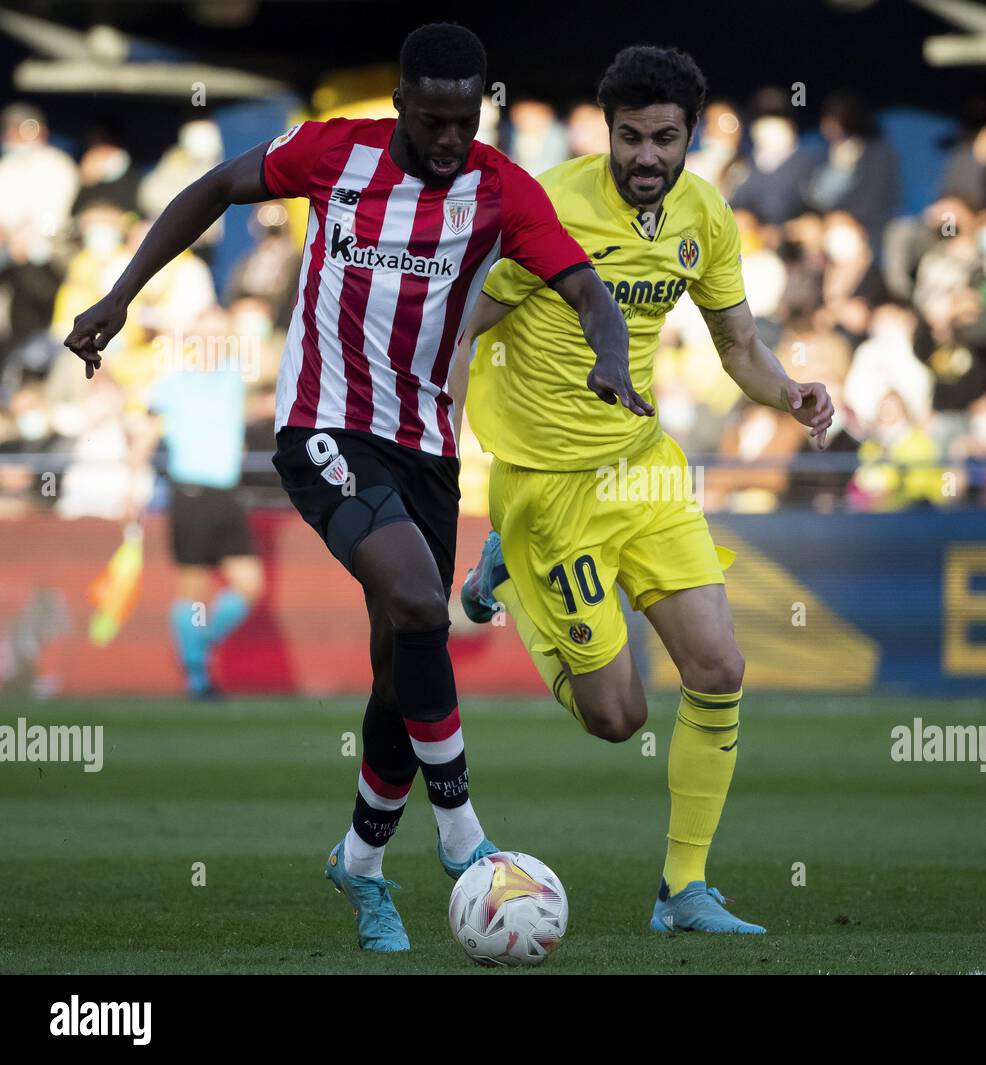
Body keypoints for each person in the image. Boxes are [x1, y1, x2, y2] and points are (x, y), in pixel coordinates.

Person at [63, 22, 646, 954]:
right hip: (325, 427)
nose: (451, 139)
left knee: (399, 661)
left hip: (426, 449)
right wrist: (122, 294)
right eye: (435, 120)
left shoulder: (501, 188)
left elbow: (585, 289)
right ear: (403, 106)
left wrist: (609, 357)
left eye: (466, 120)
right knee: (422, 599)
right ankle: (463, 836)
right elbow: (216, 186)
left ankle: (361, 863)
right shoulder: (337, 152)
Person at [451, 45, 833, 935]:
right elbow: (472, 313)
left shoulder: (706, 214)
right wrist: (439, 413)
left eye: (666, 138)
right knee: (618, 716)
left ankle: (683, 889)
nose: (648, 157)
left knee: (720, 667)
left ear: (693, 136)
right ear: (607, 130)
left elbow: (739, 346)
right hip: (548, 488)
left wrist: (791, 391)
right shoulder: (551, 204)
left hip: (644, 466)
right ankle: (516, 569)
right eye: (631, 138)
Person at [131, 305, 263, 697]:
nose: (212, 341)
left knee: (250, 584)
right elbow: (146, 437)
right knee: (192, 589)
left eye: (217, 334)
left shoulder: (235, 375)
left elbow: (261, 352)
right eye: (204, 335)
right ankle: (197, 677)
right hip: (189, 493)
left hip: (226, 494)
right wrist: (130, 488)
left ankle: (198, 644)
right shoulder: (172, 382)